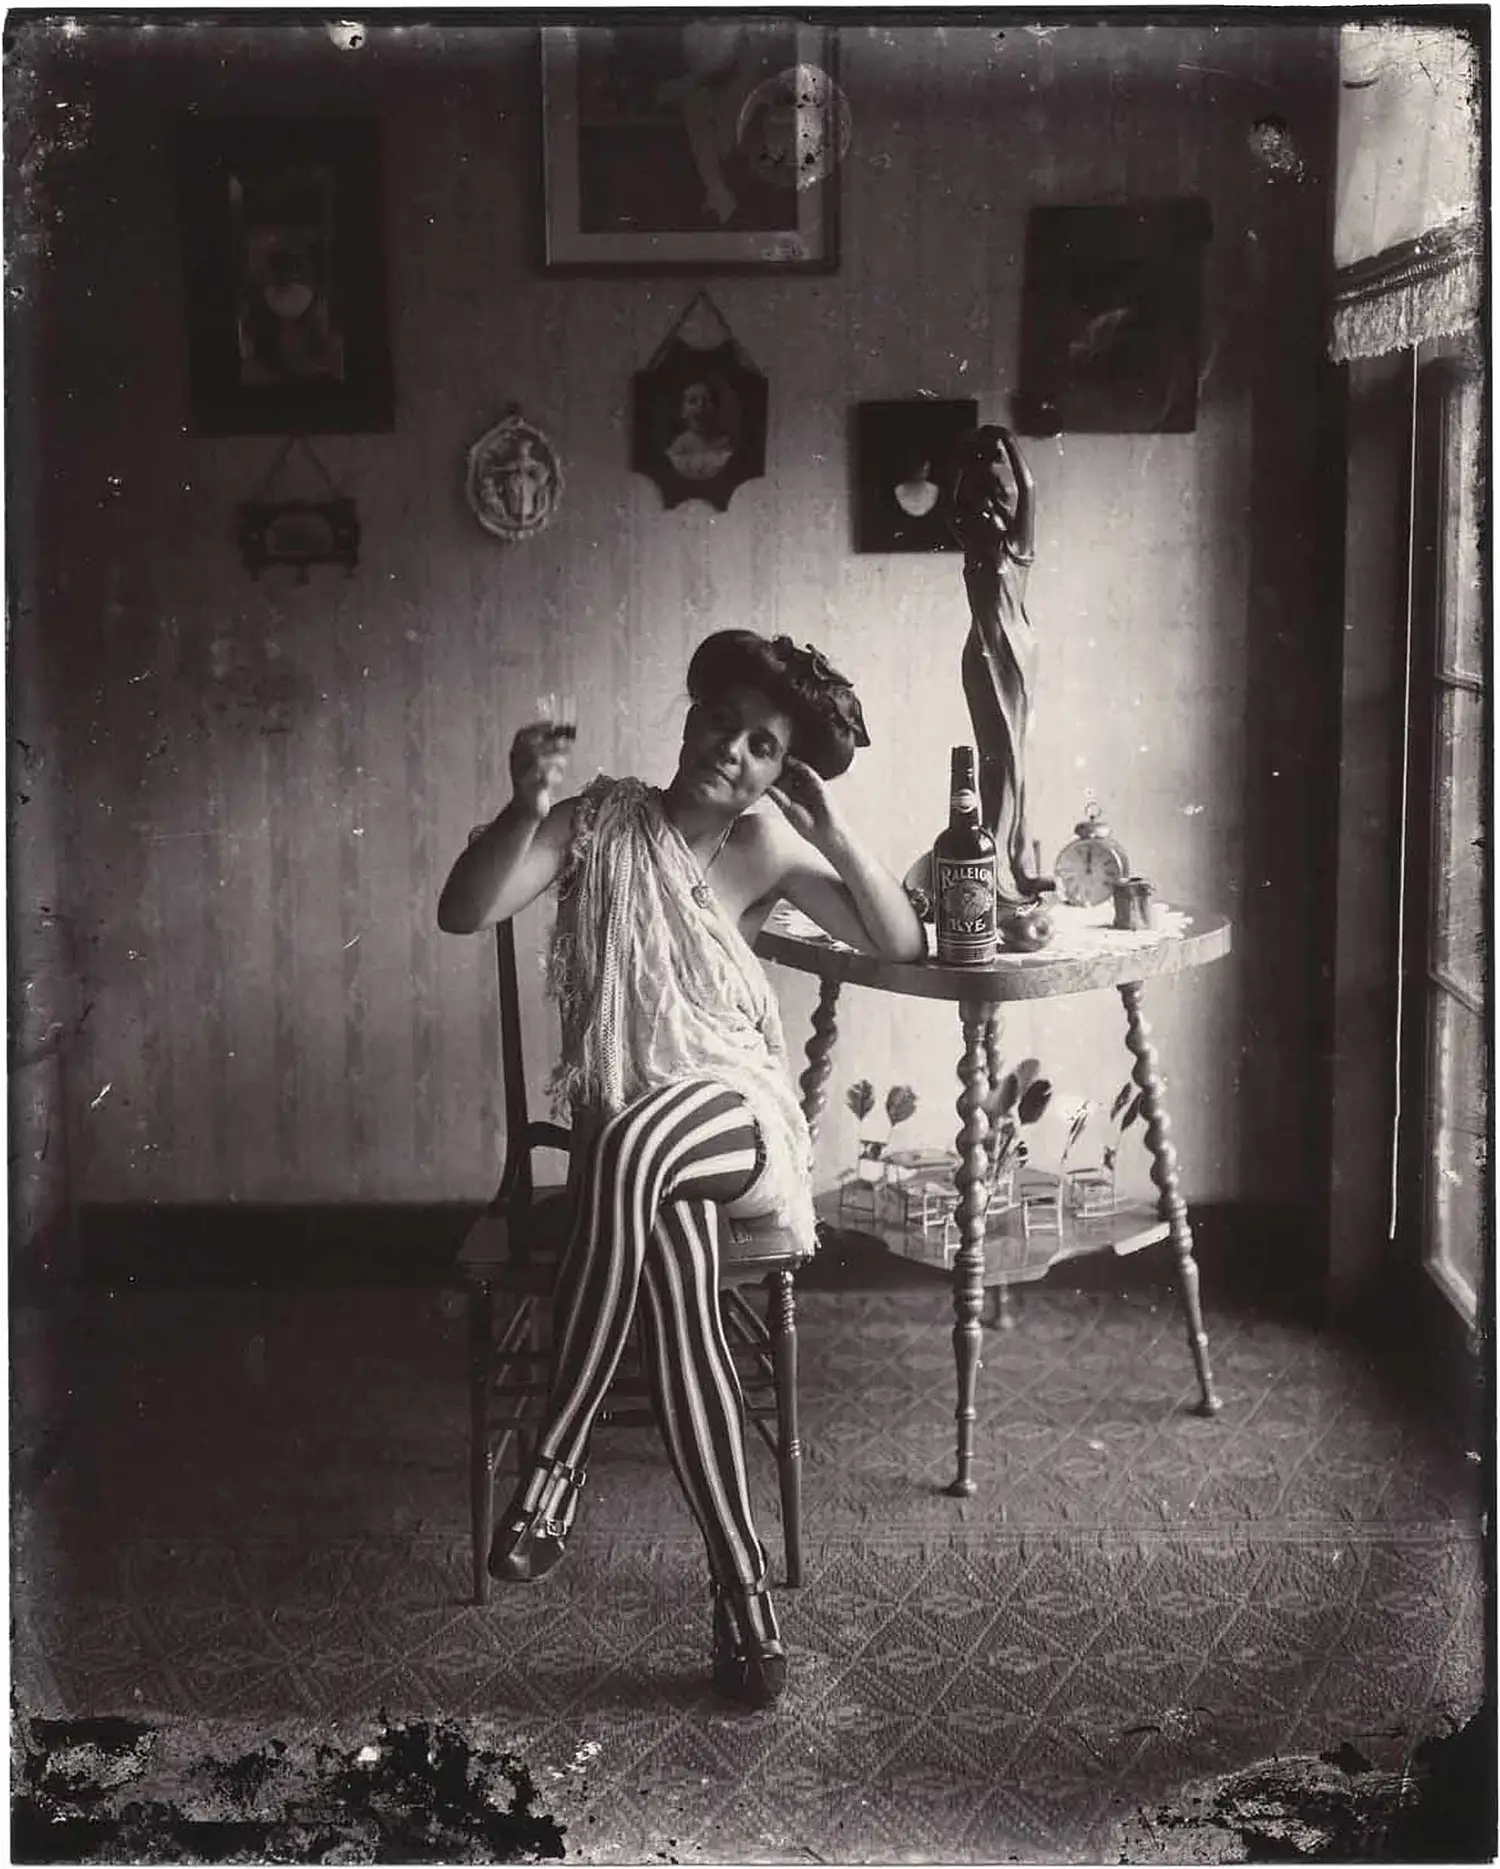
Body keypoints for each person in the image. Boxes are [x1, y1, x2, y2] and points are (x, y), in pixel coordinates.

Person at [438, 631, 924, 1709]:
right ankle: (743, 1598)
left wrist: (832, 830)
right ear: (692, 715)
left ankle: (556, 1459)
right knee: (674, 1268)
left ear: (776, 770)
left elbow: (900, 943)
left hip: (736, 1126)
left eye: (763, 746)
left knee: (638, 1145)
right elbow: (462, 910)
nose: (732, 752)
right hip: (635, 1165)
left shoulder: (765, 846)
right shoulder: (597, 824)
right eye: (723, 722)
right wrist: (523, 805)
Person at [946, 424, 1040, 905]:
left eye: (995, 503)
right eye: (979, 504)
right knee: (992, 758)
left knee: (1010, 758)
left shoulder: (1016, 551)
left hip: (1012, 654)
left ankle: (1012, 861)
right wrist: (968, 460)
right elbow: (954, 505)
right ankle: (999, 862)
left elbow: (1029, 489)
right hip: (979, 654)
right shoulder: (973, 548)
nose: (985, 510)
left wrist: (1007, 442)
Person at [666, 379, 736, 482]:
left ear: (716, 408)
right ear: (682, 411)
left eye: (707, 400)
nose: (700, 405)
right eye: (693, 401)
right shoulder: (680, 444)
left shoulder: (724, 443)